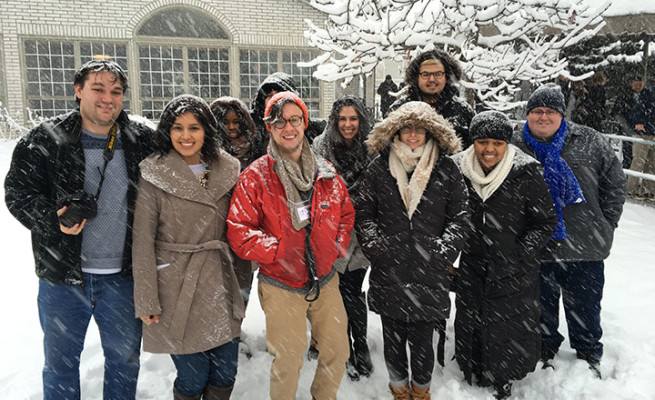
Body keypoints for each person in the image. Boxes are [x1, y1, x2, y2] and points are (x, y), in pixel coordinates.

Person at [4, 59, 152, 399]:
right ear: (78, 90)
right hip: (62, 278)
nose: (107, 98)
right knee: (60, 366)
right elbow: (17, 192)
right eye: (98, 89)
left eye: (116, 91)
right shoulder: (46, 139)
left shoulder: (140, 140)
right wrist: (52, 220)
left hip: (124, 278)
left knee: (124, 364)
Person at [227, 91, 354, 400]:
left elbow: (345, 213)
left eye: (294, 120)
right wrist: (276, 250)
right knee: (289, 358)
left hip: (324, 279)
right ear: (269, 128)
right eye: (279, 121)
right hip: (280, 283)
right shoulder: (256, 176)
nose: (288, 128)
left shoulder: (325, 171)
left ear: (303, 123)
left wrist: (335, 247)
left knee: (338, 351)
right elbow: (239, 230)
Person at [132, 95, 245, 400]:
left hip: (220, 283)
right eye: (177, 128)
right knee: (193, 374)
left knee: (225, 371)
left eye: (194, 127)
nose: (185, 136)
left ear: (207, 130)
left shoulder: (227, 169)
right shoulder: (155, 174)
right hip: (175, 285)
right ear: (167, 132)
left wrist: (242, 286)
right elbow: (142, 241)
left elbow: (240, 229)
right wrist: (146, 300)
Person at [355, 101, 470, 400]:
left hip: (429, 272)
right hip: (389, 270)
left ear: (431, 131)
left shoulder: (446, 169)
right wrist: (378, 248)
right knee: (393, 343)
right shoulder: (379, 168)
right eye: (407, 128)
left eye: (420, 128)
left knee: (422, 344)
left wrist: (442, 252)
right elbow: (364, 214)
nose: (413, 134)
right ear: (397, 130)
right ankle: (398, 391)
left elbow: (459, 217)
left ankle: (421, 392)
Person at [513, 83, 626, 378]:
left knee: (586, 305)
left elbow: (614, 185)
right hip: (536, 245)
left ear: (562, 114)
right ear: (528, 114)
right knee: (540, 305)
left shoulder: (591, 141)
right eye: (536, 111)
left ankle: (588, 351)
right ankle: (544, 348)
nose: (543, 117)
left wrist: (606, 223)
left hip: (585, 244)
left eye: (550, 111)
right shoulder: (514, 145)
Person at [452, 111, 557, 400]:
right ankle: (472, 367)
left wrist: (521, 253)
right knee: (472, 318)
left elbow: (546, 221)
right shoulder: (457, 170)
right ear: (473, 142)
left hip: (515, 267)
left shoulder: (525, 172)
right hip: (473, 263)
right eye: (482, 141)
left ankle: (503, 377)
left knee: (507, 325)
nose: (489, 149)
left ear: (507, 144)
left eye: (497, 143)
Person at [312, 95, 374, 381]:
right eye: (342, 119)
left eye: (353, 118)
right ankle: (343, 346)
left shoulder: (373, 149)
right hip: (331, 232)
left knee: (352, 292)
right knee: (334, 296)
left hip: (361, 232)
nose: (348, 124)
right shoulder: (320, 149)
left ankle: (359, 345)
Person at [387, 49, 475, 147]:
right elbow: (385, 149)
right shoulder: (399, 110)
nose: (432, 79)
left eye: (438, 74)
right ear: (416, 77)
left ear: (447, 77)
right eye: (426, 74)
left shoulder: (462, 111)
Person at [249, 72, 326, 150]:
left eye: (294, 120)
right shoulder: (251, 130)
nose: (275, 98)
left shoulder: (316, 131)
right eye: (269, 95)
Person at [210, 96, 261, 170]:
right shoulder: (208, 150)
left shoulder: (255, 146)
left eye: (236, 122)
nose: (231, 127)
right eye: (225, 123)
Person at [610, 76, 646, 168]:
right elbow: (617, 114)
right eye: (636, 83)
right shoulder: (625, 96)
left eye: (640, 84)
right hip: (628, 132)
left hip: (643, 133)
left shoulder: (647, 96)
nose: (638, 86)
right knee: (628, 158)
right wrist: (627, 129)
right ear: (632, 84)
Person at [628, 83, 655, 199]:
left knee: (651, 164)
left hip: (650, 133)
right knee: (639, 162)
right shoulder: (648, 96)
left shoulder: (647, 95)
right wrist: (638, 123)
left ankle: (648, 190)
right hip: (644, 134)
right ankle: (631, 189)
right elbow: (638, 110)